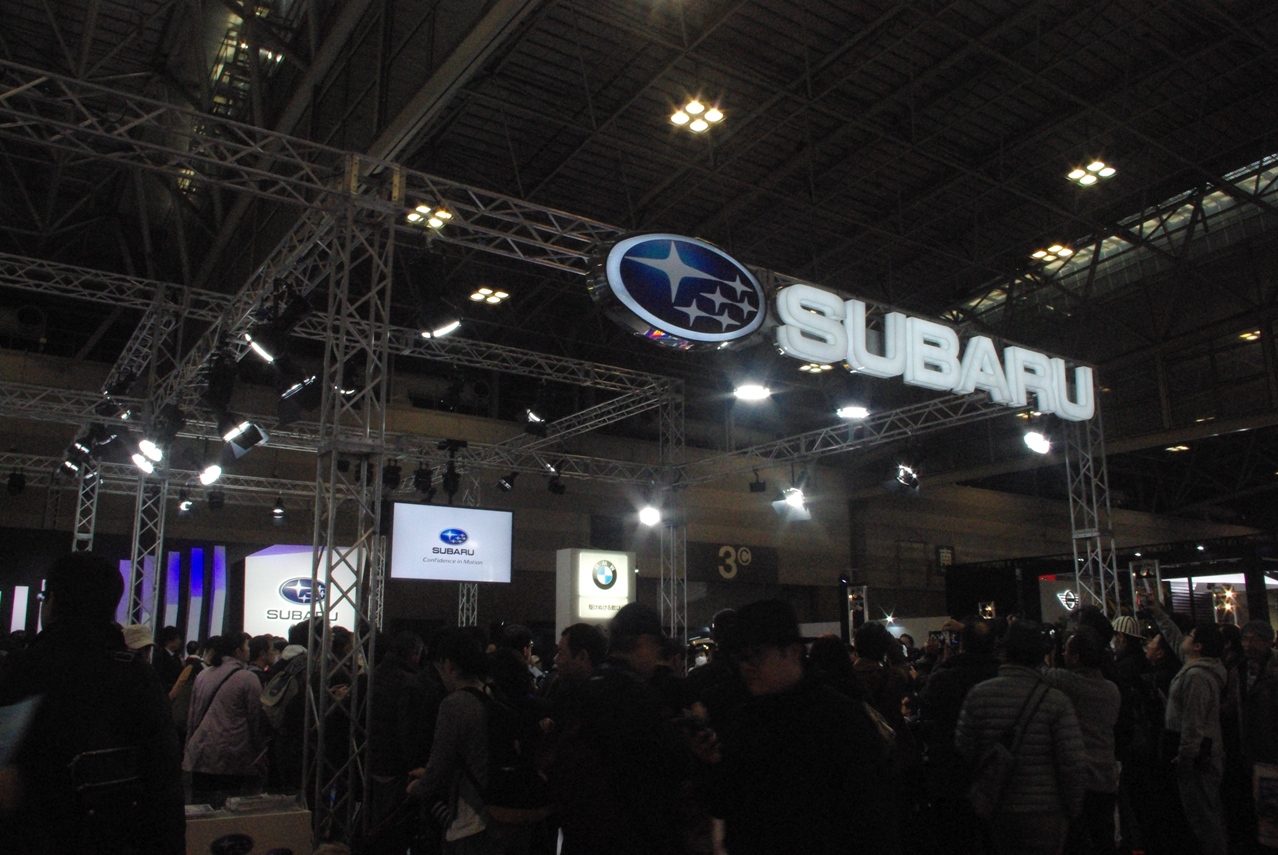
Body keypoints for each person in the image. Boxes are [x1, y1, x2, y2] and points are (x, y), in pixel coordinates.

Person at [0, 552, 184, 854]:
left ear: (52, 600)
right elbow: (164, 781)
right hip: (119, 839)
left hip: (33, 838)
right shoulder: (136, 675)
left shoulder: (23, 669)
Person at [705, 599, 892, 855]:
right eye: (740, 658)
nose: (746, 666)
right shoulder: (744, 717)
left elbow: (870, 818)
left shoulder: (837, 718)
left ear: (793, 651)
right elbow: (727, 804)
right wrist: (712, 764)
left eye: (757, 654)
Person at [955, 619, 1086, 855]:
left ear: (1004, 652)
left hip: (997, 806)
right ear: (1040, 655)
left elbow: (964, 748)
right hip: (1046, 809)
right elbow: (1072, 763)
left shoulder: (979, 695)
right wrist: (1072, 808)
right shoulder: (1056, 701)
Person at [1150, 599, 1229, 855]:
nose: (1184, 638)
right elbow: (1175, 639)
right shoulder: (1198, 667)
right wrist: (1159, 614)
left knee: (1203, 816)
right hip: (1200, 754)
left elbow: (1194, 723)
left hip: (1198, 758)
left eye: (1191, 636)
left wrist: (1185, 757)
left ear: (1198, 646)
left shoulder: (1197, 676)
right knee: (1204, 813)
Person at [917, 615, 1000, 853]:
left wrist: (940, 659)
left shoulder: (946, 676)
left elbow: (925, 700)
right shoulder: (1001, 675)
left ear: (961, 644)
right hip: (996, 770)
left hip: (951, 770)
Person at [1043, 626, 1122, 855]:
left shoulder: (1066, 682)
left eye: (1067, 651)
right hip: (1106, 775)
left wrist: (1048, 653)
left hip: (1079, 776)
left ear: (1076, 657)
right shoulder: (1112, 690)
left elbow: (1040, 672)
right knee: (1103, 839)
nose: (1063, 655)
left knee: (1076, 841)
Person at [183, 631, 267, 806]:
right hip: (233, 756)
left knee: (203, 808)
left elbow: (193, 716)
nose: (248, 650)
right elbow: (256, 720)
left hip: (201, 753)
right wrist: (259, 753)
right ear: (237, 650)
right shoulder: (248, 678)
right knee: (230, 810)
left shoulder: (203, 675)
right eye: (246, 646)